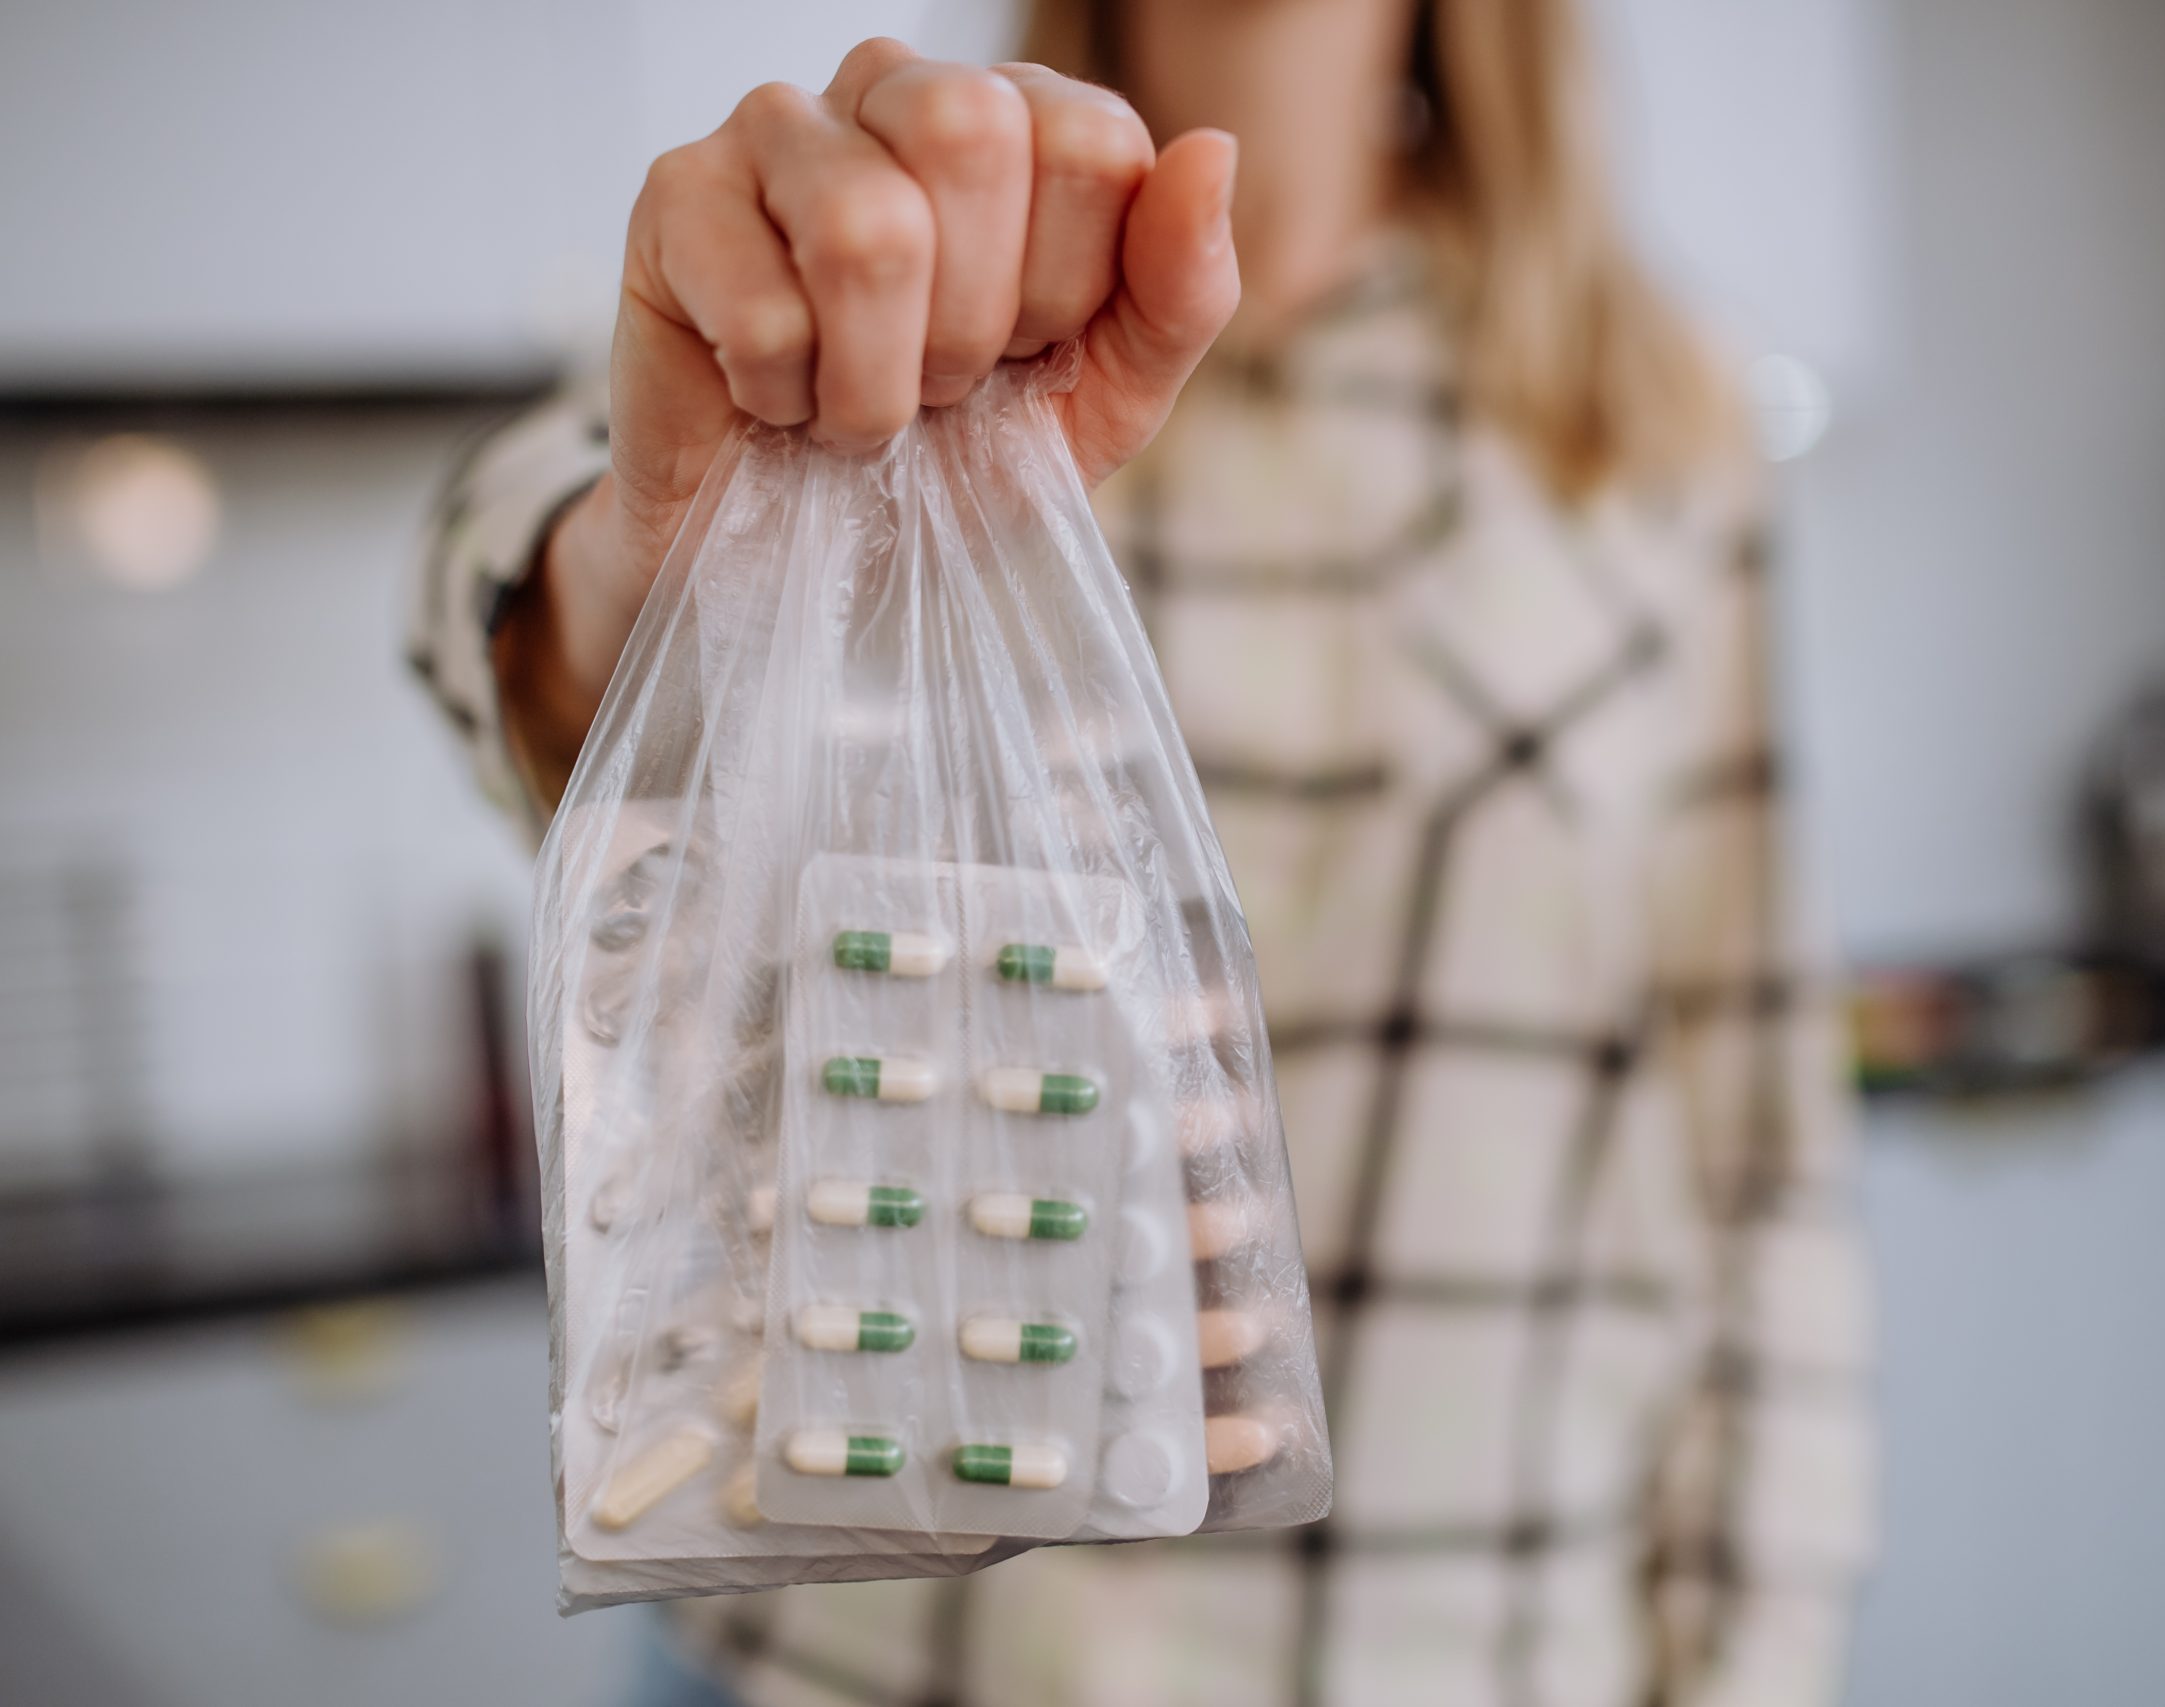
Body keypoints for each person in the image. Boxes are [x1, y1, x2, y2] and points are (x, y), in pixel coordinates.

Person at [410, 2, 1873, 1702]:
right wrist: (651, 561)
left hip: (1453, 1651)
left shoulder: (1653, 436)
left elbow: (1762, 1154)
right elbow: (498, 573)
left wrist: (1761, 1666)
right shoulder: (913, 313)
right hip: (853, 1653)